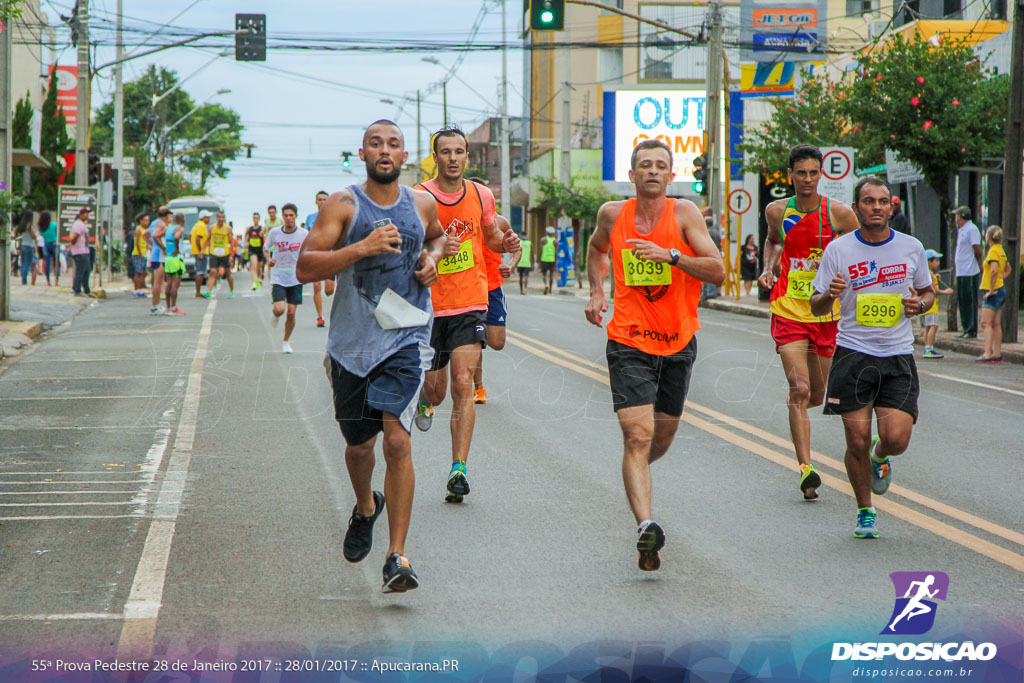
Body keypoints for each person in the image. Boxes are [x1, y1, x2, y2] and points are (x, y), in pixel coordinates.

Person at [296, 119, 455, 593]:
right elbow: (305, 266)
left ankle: (397, 555)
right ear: (361, 153)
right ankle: (367, 506)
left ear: (405, 157)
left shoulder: (420, 202)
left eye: (394, 145)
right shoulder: (344, 205)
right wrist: (361, 247)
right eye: (375, 144)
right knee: (359, 447)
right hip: (351, 346)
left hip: (404, 337)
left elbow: (438, 236)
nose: (385, 151)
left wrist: (433, 258)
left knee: (398, 442)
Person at [584, 139, 725, 571]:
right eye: (644, 165)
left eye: (660, 166)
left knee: (658, 441)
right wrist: (596, 290)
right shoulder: (613, 214)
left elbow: (718, 269)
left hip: (678, 342)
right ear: (632, 175)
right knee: (638, 437)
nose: (652, 171)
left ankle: (635, 473)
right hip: (627, 340)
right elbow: (596, 248)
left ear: (670, 175)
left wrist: (672, 256)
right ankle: (645, 526)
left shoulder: (684, 214)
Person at [809, 176, 934, 539]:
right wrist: (829, 294)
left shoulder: (911, 247)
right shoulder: (839, 250)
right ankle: (865, 510)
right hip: (853, 354)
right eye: (868, 201)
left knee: (896, 439)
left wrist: (919, 305)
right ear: (857, 207)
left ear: (891, 207)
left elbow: (926, 293)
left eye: (883, 202)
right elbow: (817, 306)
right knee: (856, 440)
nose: (876, 207)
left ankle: (881, 458)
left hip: (897, 355)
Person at [412, 126, 520, 504]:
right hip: (429, 306)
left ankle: (459, 468)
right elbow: (409, 248)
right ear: (436, 157)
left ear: (468, 158)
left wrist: (505, 242)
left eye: (460, 151)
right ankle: (424, 400)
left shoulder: (481, 194)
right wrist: (437, 246)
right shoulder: (419, 197)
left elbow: (490, 237)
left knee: (462, 382)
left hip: (470, 302)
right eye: (446, 152)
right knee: (437, 391)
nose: (453, 158)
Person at [758, 145, 859, 501]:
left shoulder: (839, 215)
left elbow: (861, 251)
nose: (807, 179)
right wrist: (768, 269)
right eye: (801, 173)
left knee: (818, 394)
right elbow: (773, 242)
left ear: (821, 175)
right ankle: (806, 468)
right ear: (790, 176)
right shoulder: (776, 211)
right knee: (799, 389)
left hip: (827, 314)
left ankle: (802, 414)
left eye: (813, 173)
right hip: (788, 309)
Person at [473, 214, 521, 405]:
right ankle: (479, 388)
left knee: (497, 342)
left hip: (493, 289)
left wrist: (511, 265)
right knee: (474, 342)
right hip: (470, 289)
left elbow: (517, 249)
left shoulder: (499, 222)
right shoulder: (461, 221)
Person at [264, 204, 307, 353]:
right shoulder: (275, 233)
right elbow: (266, 248)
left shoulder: (303, 234)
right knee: (280, 309)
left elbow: (309, 251)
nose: (288, 218)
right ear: (282, 217)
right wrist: (269, 259)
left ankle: (286, 341)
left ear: (296, 216)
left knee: (291, 313)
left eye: (291, 215)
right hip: (279, 276)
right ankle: (275, 315)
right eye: (286, 216)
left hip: (295, 277)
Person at [305, 190, 337, 327]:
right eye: (320, 199)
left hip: (330, 255)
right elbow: (305, 235)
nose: (322, 202)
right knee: (316, 286)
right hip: (315, 255)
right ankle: (320, 317)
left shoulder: (335, 217)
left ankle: (332, 314)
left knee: (329, 291)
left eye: (325, 199)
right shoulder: (310, 218)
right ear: (316, 202)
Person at [978, 225, 1009, 363]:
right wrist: (1001, 280)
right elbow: (1008, 268)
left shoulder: (992, 252)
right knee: (996, 323)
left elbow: (994, 270)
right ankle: (997, 353)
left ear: (988, 237)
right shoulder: (1001, 251)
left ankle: (987, 353)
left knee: (986, 323)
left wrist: (991, 289)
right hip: (1001, 288)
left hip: (993, 290)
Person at [952, 205, 982, 339]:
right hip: (961, 271)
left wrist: (976, 262)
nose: (955, 218)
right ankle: (965, 328)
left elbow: (977, 249)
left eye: (956, 215)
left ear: (961, 216)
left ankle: (971, 329)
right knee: (963, 301)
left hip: (970, 271)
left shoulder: (971, 229)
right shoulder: (962, 230)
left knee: (970, 301)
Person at [921, 249, 953, 359]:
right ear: (929, 262)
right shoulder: (929, 275)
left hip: (926, 307)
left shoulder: (928, 274)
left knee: (928, 327)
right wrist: (946, 292)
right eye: (936, 260)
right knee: (933, 326)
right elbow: (934, 291)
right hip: (931, 306)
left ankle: (927, 347)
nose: (938, 263)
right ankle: (929, 348)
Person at [205, 211, 235, 299]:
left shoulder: (227, 229)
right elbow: (207, 239)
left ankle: (231, 290)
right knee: (213, 272)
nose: (221, 219)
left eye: (223, 217)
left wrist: (231, 255)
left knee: (227, 273)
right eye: (219, 217)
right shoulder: (211, 228)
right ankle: (209, 292)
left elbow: (231, 242)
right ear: (217, 218)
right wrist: (203, 250)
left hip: (224, 253)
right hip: (214, 253)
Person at [146, 207, 169, 315]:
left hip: (156, 253)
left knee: (159, 281)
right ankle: (155, 306)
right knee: (158, 282)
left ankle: (157, 304)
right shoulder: (161, 224)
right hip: (158, 255)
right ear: (166, 215)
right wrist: (162, 247)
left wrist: (152, 245)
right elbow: (155, 235)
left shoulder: (153, 223)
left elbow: (145, 235)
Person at [164, 212, 187, 315]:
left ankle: (168, 307)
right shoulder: (179, 229)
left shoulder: (169, 228)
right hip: (176, 258)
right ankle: (173, 306)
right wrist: (177, 249)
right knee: (175, 284)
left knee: (169, 283)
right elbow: (177, 237)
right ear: (183, 221)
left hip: (168, 258)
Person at [69, 207, 94, 297]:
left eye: (88, 214)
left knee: (86, 270)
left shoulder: (82, 224)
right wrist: (72, 244)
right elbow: (75, 236)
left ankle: (86, 289)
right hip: (80, 251)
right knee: (80, 270)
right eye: (85, 214)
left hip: (84, 250)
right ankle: (77, 290)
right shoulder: (79, 224)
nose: (87, 216)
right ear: (80, 215)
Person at [191, 210, 210, 299]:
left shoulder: (196, 225)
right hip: (201, 252)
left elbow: (190, 237)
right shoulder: (202, 226)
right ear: (203, 218)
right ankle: (198, 292)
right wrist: (200, 251)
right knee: (200, 272)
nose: (209, 219)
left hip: (196, 251)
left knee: (200, 272)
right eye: (207, 217)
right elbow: (197, 238)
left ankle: (198, 292)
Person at [16, 211, 37, 285]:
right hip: (29, 246)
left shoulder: (21, 226)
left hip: (23, 245)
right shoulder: (29, 226)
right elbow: (33, 236)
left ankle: (23, 279)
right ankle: (24, 280)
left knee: (23, 263)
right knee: (27, 264)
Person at [131, 213, 150, 298]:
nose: (147, 222)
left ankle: (141, 289)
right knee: (138, 272)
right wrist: (139, 253)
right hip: (138, 254)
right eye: (145, 220)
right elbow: (137, 242)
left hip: (144, 253)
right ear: (140, 221)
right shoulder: (138, 230)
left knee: (143, 272)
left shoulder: (144, 230)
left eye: (148, 220)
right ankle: (137, 289)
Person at [38, 211, 59, 286]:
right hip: (54, 244)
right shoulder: (54, 225)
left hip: (46, 245)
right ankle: (56, 281)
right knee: (56, 263)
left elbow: (41, 234)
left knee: (47, 263)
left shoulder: (41, 227)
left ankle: (48, 281)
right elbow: (57, 232)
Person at [246, 212, 266, 289]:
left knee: (260, 267)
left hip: (260, 249)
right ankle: (254, 283)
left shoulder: (262, 228)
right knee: (253, 266)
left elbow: (265, 236)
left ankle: (258, 279)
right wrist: (246, 243)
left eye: (257, 218)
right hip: (252, 249)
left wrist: (262, 234)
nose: (255, 219)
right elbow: (246, 237)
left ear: (259, 219)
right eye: (254, 218)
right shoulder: (249, 228)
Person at [265, 204, 283, 285]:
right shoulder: (266, 221)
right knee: (270, 264)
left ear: (276, 212)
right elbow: (265, 232)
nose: (271, 214)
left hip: (278, 247)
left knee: (278, 265)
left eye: (273, 212)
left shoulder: (280, 221)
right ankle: (271, 282)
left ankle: (279, 280)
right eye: (270, 212)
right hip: (269, 246)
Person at [539, 226, 557, 294]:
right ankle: (550, 289)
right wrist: (555, 261)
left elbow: (540, 250)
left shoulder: (543, 240)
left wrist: (539, 260)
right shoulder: (555, 241)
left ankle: (546, 284)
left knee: (544, 274)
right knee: (551, 275)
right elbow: (556, 252)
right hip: (552, 259)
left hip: (544, 259)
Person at [517, 230, 533, 295]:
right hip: (527, 263)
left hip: (520, 262)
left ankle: (521, 290)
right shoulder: (529, 243)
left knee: (520, 277)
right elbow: (532, 254)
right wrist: (533, 263)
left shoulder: (519, 243)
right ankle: (525, 289)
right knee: (526, 276)